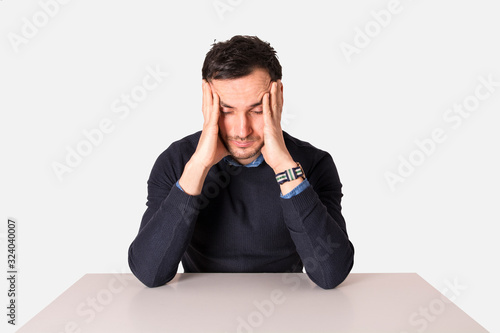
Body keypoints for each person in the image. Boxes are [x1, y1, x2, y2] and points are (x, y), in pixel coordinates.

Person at [128, 35, 354, 289]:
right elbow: (149, 273)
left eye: (257, 110)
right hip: (197, 313)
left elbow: (331, 274)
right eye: (226, 111)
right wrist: (199, 165)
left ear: (278, 97)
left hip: (285, 310)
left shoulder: (313, 163)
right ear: (206, 101)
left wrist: (284, 167)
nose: (242, 130)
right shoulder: (177, 161)